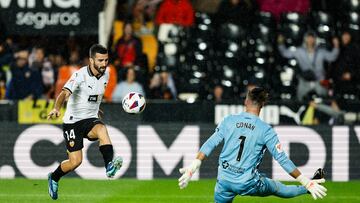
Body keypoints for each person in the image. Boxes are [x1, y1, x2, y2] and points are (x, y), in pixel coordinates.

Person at [178, 87, 327, 202]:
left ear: (246, 101)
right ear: (263, 105)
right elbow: (282, 159)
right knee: (276, 187)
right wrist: (305, 181)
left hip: (224, 180)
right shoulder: (266, 130)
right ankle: (308, 187)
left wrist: (193, 166)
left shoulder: (229, 120)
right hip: (247, 183)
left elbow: (211, 143)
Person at [47, 44, 123, 200]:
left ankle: (109, 166)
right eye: (100, 60)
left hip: (90, 119)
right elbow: (63, 94)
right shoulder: (79, 75)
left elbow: (94, 95)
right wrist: (56, 109)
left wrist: (96, 107)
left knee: (101, 129)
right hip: (73, 122)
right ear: (91, 60)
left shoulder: (106, 75)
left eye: (106, 60)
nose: (104, 64)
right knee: (75, 162)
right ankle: (54, 177)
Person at [278, 31, 339, 101]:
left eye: (312, 38)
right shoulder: (299, 51)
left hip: (319, 80)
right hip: (305, 80)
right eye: (308, 38)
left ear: (315, 39)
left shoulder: (321, 52)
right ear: (305, 39)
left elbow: (332, 57)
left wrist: (336, 45)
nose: (310, 40)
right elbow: (285, 53)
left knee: (324, 98)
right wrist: (280, 43)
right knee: (299, 98)